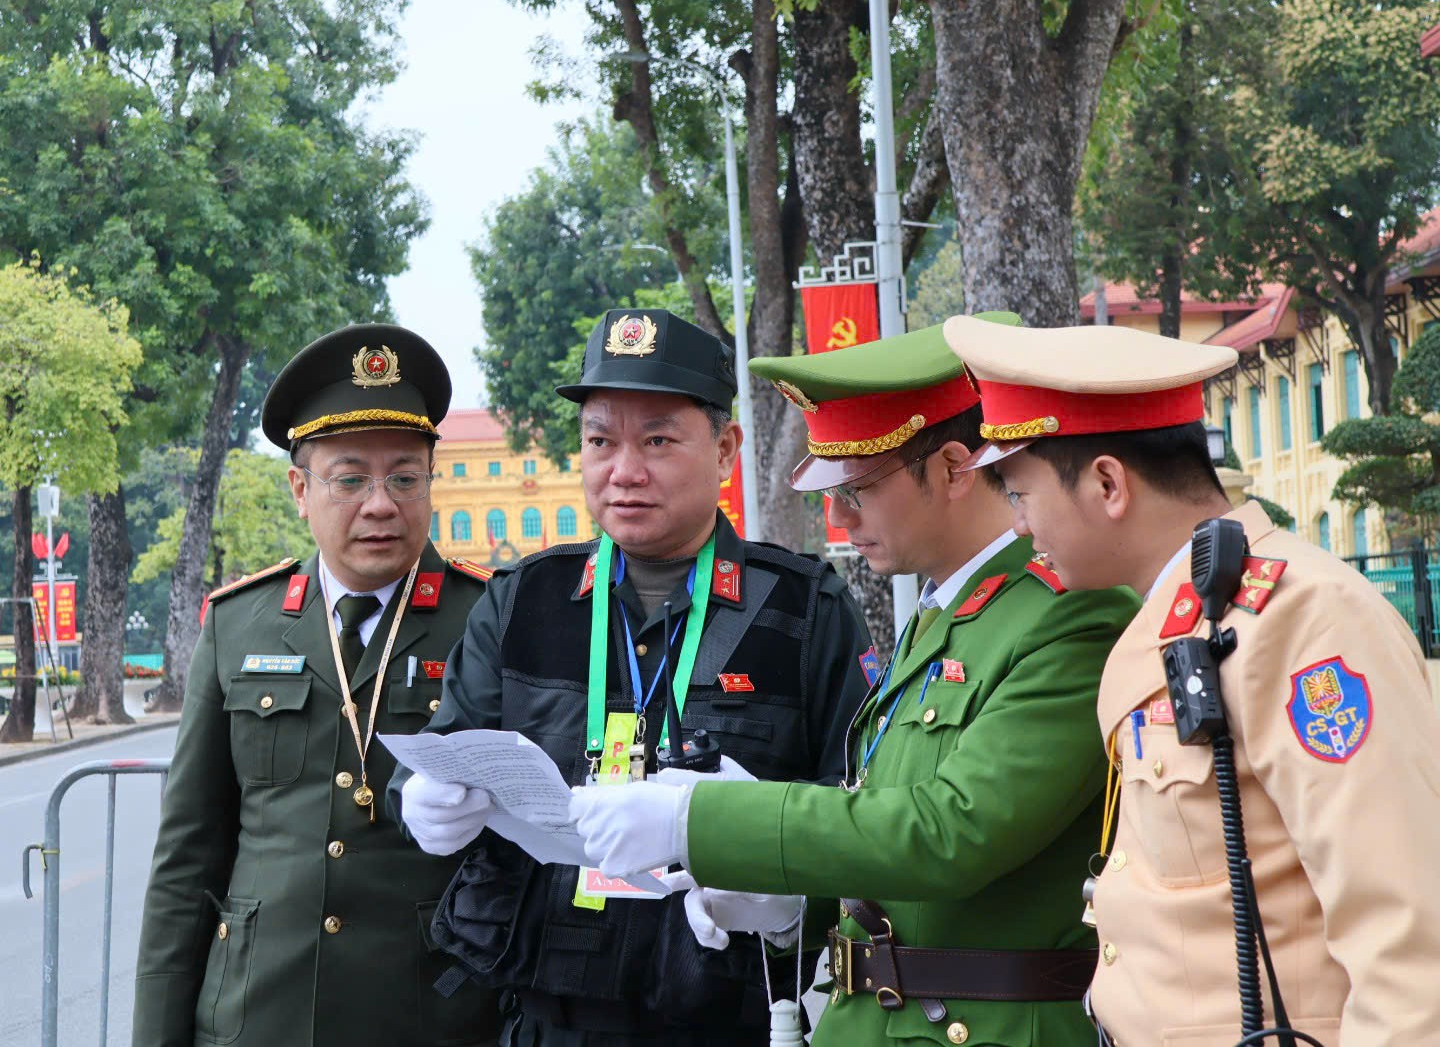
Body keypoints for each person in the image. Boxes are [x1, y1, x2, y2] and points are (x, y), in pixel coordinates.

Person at [567, 320, 1142, 1047]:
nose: (837, 519)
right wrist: (788, 902)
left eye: (860, 489)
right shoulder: (948, 615)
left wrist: (703, 820)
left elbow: (950, 833)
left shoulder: (1069, 615)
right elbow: (878, 828)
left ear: (956, 468)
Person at [941, 314, 1440, 1046]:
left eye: (1020, 492)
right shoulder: (1170, 623)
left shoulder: (1309, 621)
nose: (1020, 525)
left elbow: (1407, 939)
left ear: (1108, 483)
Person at [386, 308, 875, 1046]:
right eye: (599, 442)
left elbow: (863, 821)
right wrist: (420, 800)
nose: (624, 470)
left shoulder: (803, 611)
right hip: (546, 1017)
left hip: (724, 1015)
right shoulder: (524, 599)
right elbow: (445, 750)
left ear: (724, 451)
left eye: (657, 440)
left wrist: (787, 901)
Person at [134, 324, 501, 1046]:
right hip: (259, 1012)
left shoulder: (487, 619)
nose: (380, 504)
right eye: (350, 478)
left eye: (404, 476)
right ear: (301, 490)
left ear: (432, 482)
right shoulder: (239, 624)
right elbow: (187, 857)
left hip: (431, 1012)